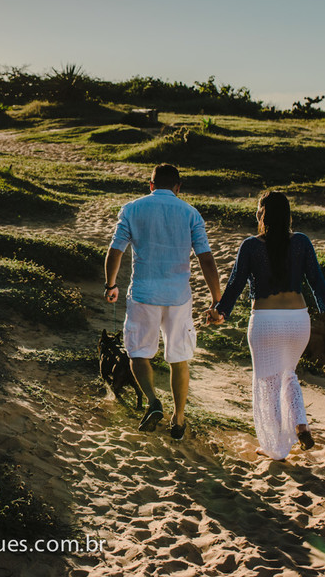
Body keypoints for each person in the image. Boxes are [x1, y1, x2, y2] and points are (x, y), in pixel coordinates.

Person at [206, 190, 325, 460]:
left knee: (268, 382)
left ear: (262, 214)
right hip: (297, 323)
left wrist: (221, 312)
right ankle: (301, 425)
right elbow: (317, 279)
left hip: (266, 324)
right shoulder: (302, 242)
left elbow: (235, 284)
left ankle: (275, 448)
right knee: (288, 373)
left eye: (259, 208)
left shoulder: (251, 245)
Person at [104, 163, 223, 440]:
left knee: (138, 354)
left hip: (144, 294)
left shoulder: (132, 209)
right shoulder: (191, 213)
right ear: (178, 187)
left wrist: (111, 285)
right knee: (179, 359)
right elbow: (206, 258)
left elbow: (115, 250)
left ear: (151, 185)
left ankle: (153, 401)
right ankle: (178, 419)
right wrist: (217, 299)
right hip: (178, 297)